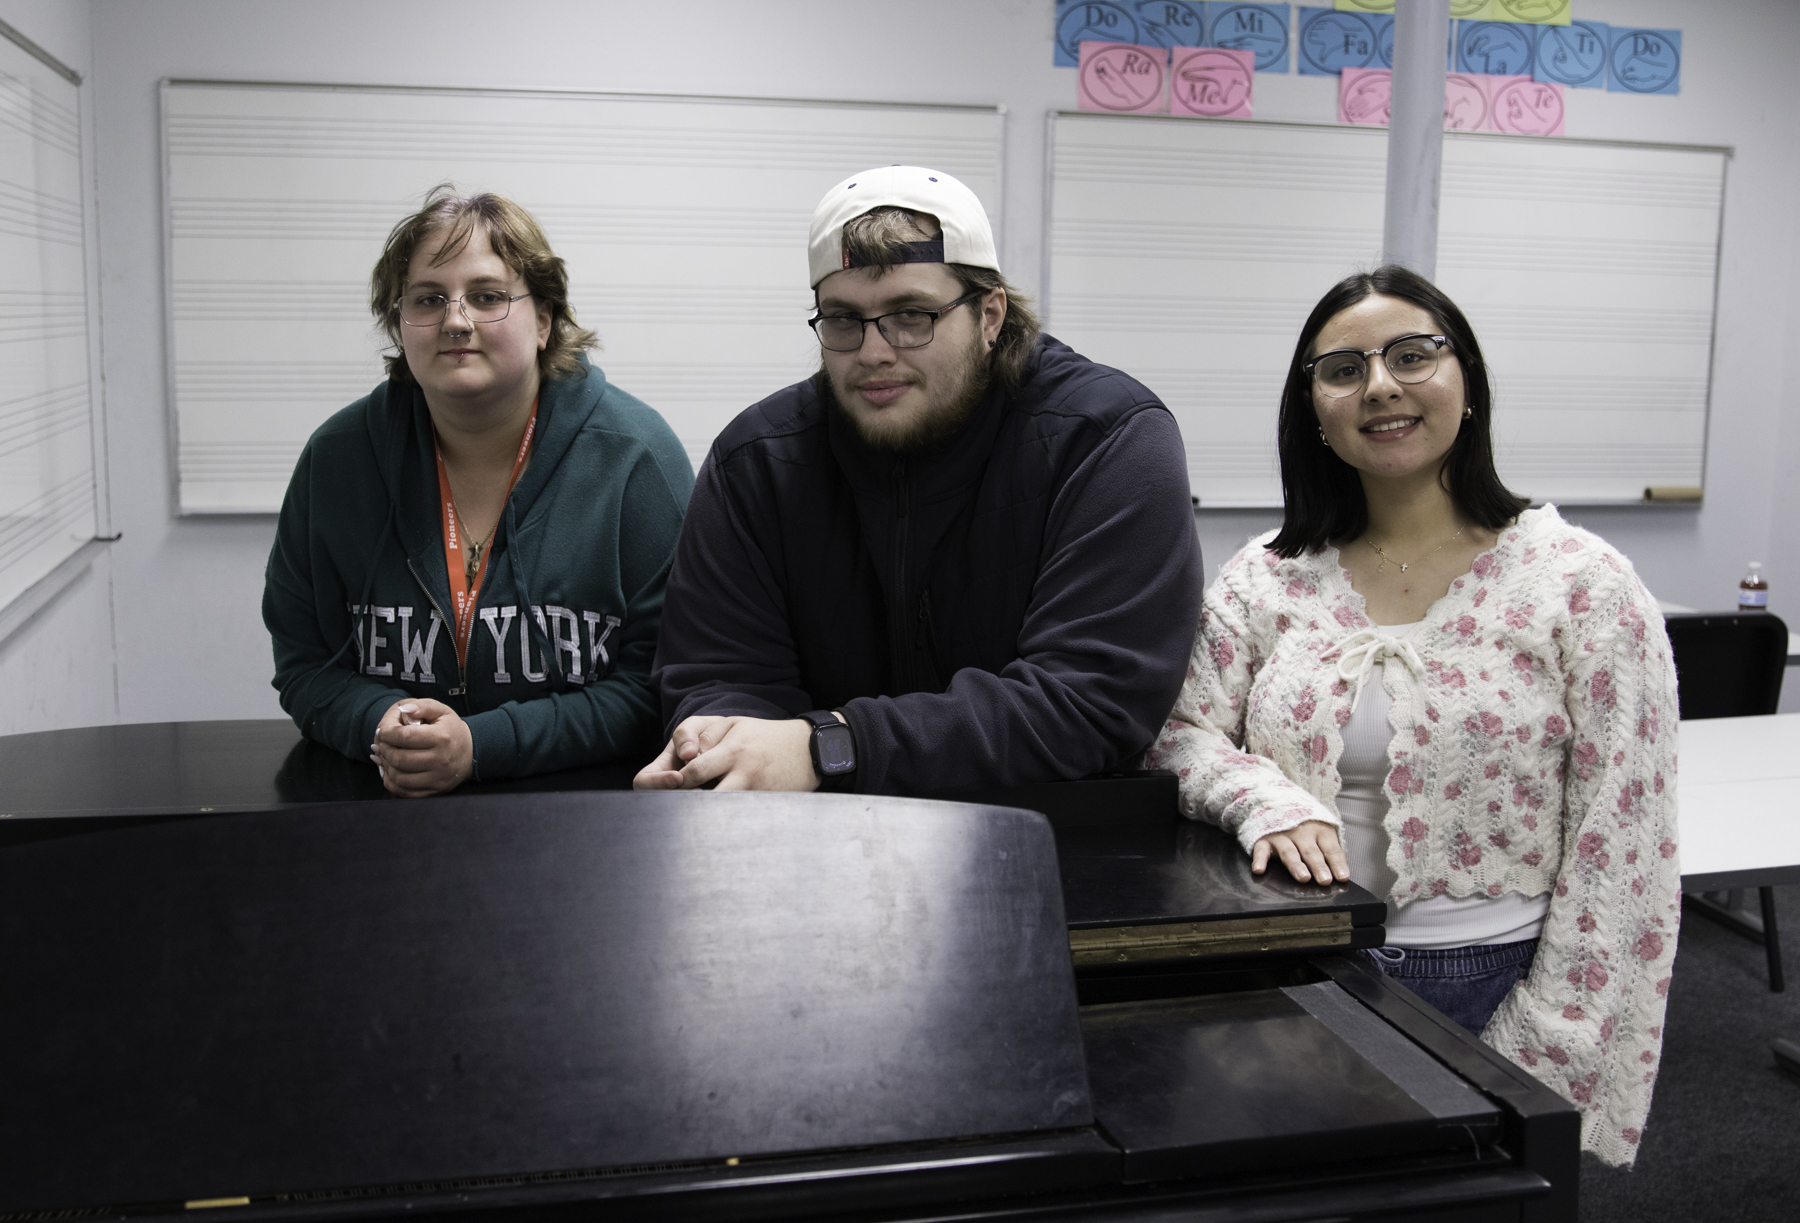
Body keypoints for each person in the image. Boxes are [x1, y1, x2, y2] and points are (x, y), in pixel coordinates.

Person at [1145, 265, 1679, 1166]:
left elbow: (1624, 840)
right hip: (1293, 968)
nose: (1381, 385)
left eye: (1412, 355)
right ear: (1313, 409)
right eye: (1343, 368)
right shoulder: (1266, 577)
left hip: (1490, 987)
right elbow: (1176, 732)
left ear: (1465, 381)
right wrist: (1262, 798)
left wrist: (1554, 1038)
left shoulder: (1580, 583)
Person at [635, 166, 1201, 794]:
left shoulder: (1104, 438)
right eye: (844, 319)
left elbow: (1090, 701)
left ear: (990, 315)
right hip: (809, 845)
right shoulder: (758, 462)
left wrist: (833, 746)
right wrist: (716, 744)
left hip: (1055, 846)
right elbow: (716, 676)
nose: (875, 351)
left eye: (911, 315)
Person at [264, 186, 693, 796]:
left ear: (544, 319)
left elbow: (660, 684)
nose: (456, 321)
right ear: (398, 322)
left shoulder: (636, 458)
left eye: (487, 297)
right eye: (428, 299)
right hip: (385, 807)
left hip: (583, 812)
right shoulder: (335, 460)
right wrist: (381, 723)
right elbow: (305, 665)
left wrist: (481, 746)